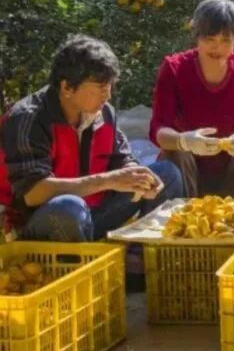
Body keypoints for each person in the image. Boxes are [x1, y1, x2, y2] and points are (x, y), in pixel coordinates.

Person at [0, 36, 184, 242]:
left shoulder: (103, 113)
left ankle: (138, 260)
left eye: (110, 86)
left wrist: (139, 177)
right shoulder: (29, 118)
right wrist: (107, 181)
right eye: (101, 87)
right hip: (42, 224)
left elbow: (122, 159)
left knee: (167, 174)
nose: (108, 95)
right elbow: (33, 193)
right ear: (67, 87)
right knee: (68, 207)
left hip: (92, 215)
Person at [150, 0, 234, 197]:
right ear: (197, 37)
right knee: (175, 150)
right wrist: (184, 141)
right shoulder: (174, 68)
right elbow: (158, 129)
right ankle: (182, 215)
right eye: (209, 39)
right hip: (188, 169)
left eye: (226, 41)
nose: (217, 48)